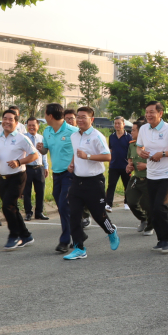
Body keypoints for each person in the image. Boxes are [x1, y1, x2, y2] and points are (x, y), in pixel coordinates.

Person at [63, 106, 120, 260]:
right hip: (77, 180)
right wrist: (72, 163)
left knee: (99, 215)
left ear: (91, 119)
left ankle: (111, 231)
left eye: (83, 117)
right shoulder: (74, 136)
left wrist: (87, 156)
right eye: (78, 117)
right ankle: (79, 248)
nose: (80, 120)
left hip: (94, 181)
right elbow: (77, 153)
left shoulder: (97, 136)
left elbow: (107, 157)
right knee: (74, 214)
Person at [0, 109, 40, 250]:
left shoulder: (22, 138)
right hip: (2, 178)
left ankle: (14, 235)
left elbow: (34, 155)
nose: (7, 121)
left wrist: (19, 162)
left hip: (18, 177)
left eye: (11, 119)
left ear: (16, 122)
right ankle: (26, 235)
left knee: (7, 206)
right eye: (5, 118)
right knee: (12, 207)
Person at [138, 101, 168, 253]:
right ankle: (160, 239)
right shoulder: (143, 129)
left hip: (167, 174)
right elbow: (139, 146)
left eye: (152, 112)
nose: (148, 115)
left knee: (159, 207)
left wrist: (162, 154)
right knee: (153, 208)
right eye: (147, 112)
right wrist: (140, 152)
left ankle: (166, 241)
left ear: (160, 113)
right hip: (151, 174)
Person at [39, 104, 76, 254]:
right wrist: (41, 148)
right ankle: (78, 231)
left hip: (71, 174)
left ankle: (65, 240)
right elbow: (45, 149)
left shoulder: (73, 131)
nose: (44, 116)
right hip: (57, 173)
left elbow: (81, 149)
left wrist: (73, 164)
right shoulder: (47, 130)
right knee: (62, 204)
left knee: (63, 204)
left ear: (51, 116)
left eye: (45, 114)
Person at [125, 119, 152, 233]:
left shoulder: (151, 144)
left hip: (149, 178)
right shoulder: (132, 145)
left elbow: (160, 161)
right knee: (131, 201)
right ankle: (143, 219)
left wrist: (146, 166)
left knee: (147, 205)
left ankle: (150, 225)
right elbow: (130, 161)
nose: (131, 132)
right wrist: (129, 166)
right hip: (136, 178)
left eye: (134, 130)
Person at [22, 117, 49, 222]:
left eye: (34, 125)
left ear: (38, 126)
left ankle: (39, 212)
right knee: (27, 192)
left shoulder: (41, 138)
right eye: (29, 125)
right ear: (27, 126)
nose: (31, 127)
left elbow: (44, 154)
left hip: (39, 168)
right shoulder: (23, 138)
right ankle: (28, 213)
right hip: (27, 168)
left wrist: (46, 166)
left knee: (40, 191)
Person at [105, 116, 131, 212]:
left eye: (119, 123)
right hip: (114, 166)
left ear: (123, 124)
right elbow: (110, 150)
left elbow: (131, 151)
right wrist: (109, 162)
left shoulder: (129, 137)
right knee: (111, 185)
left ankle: (127, 202)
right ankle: (108, 204)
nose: (117, 125)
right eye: (115, 123)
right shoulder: (111, 137)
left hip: (125, 166)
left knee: (127, 185)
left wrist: (130, 164)